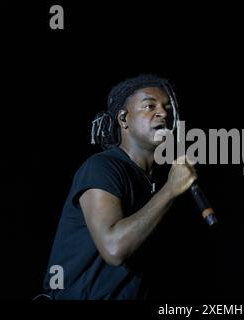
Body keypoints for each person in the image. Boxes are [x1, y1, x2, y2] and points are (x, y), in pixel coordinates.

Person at [42, 74, 197, 300]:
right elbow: (114, 249)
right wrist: (170, 190)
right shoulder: (102, 167)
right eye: (149, 105)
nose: (163, 113)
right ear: (123, 119)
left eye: (166, 107)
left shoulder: (155, 179)